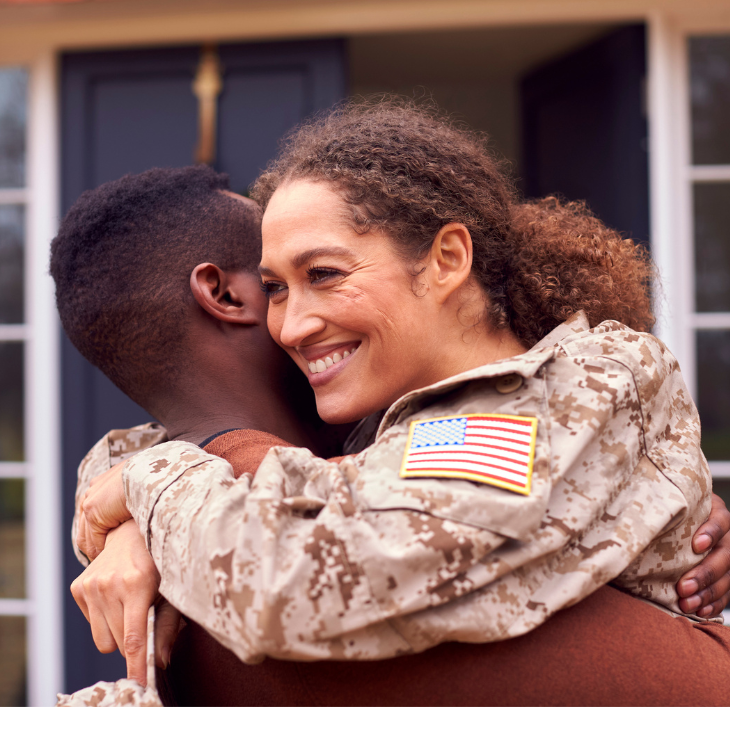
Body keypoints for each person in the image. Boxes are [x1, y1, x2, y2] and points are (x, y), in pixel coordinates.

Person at [59, 129, 730, 704]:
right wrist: (132, 510)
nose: (291, 323)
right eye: (273, 289)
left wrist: (153, 489)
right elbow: (151, 458)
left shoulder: (580, 382)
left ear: (445, 260)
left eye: (322, 273)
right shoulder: (376, 423)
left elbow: (294, 579)